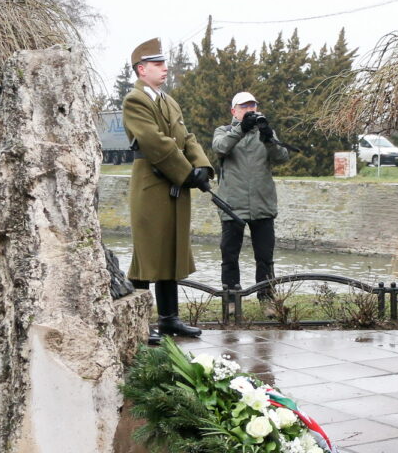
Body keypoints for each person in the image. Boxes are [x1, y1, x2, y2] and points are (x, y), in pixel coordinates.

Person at [121, 37, 214, 341]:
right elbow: (154, 142)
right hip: (152, 183)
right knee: (147, 254)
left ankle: (169, 319)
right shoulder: (135, 100)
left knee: (169, 251)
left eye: (164, 63)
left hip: (174, 183)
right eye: (157, 64)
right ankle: (137, 322)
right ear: (141, 69)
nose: (164, 68)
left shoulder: (167, 100)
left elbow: (186, 137)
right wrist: (187, 174)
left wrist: (201, 166)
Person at [210, 91, 291, 300]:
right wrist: (240, 130)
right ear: (234, 111)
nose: (249, 110)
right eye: (244, 107)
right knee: (229, 256)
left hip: (262, 204)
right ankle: (231, 300)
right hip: (232, 206)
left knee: (265, 258)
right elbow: (219, 148)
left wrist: (268, 138)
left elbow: (283, 157)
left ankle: (266, 298)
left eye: (252, 106)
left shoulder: (264, 132)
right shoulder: (224, 131)